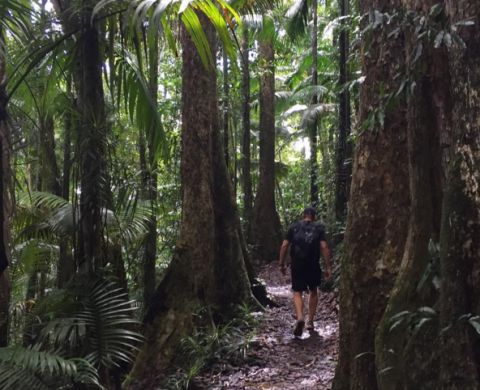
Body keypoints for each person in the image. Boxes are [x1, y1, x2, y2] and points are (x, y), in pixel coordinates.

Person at [278, 206, 333, 337]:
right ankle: (310, 322)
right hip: (313, 264)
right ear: (314, 217)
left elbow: (285, 245)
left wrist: (281, 263)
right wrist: (328, 266)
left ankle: (300, 317)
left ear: (304, 215)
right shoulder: (318, 228)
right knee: (313, 290)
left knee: (297, 291)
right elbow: (324, 247)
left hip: (297, 264)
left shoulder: (294, 227)